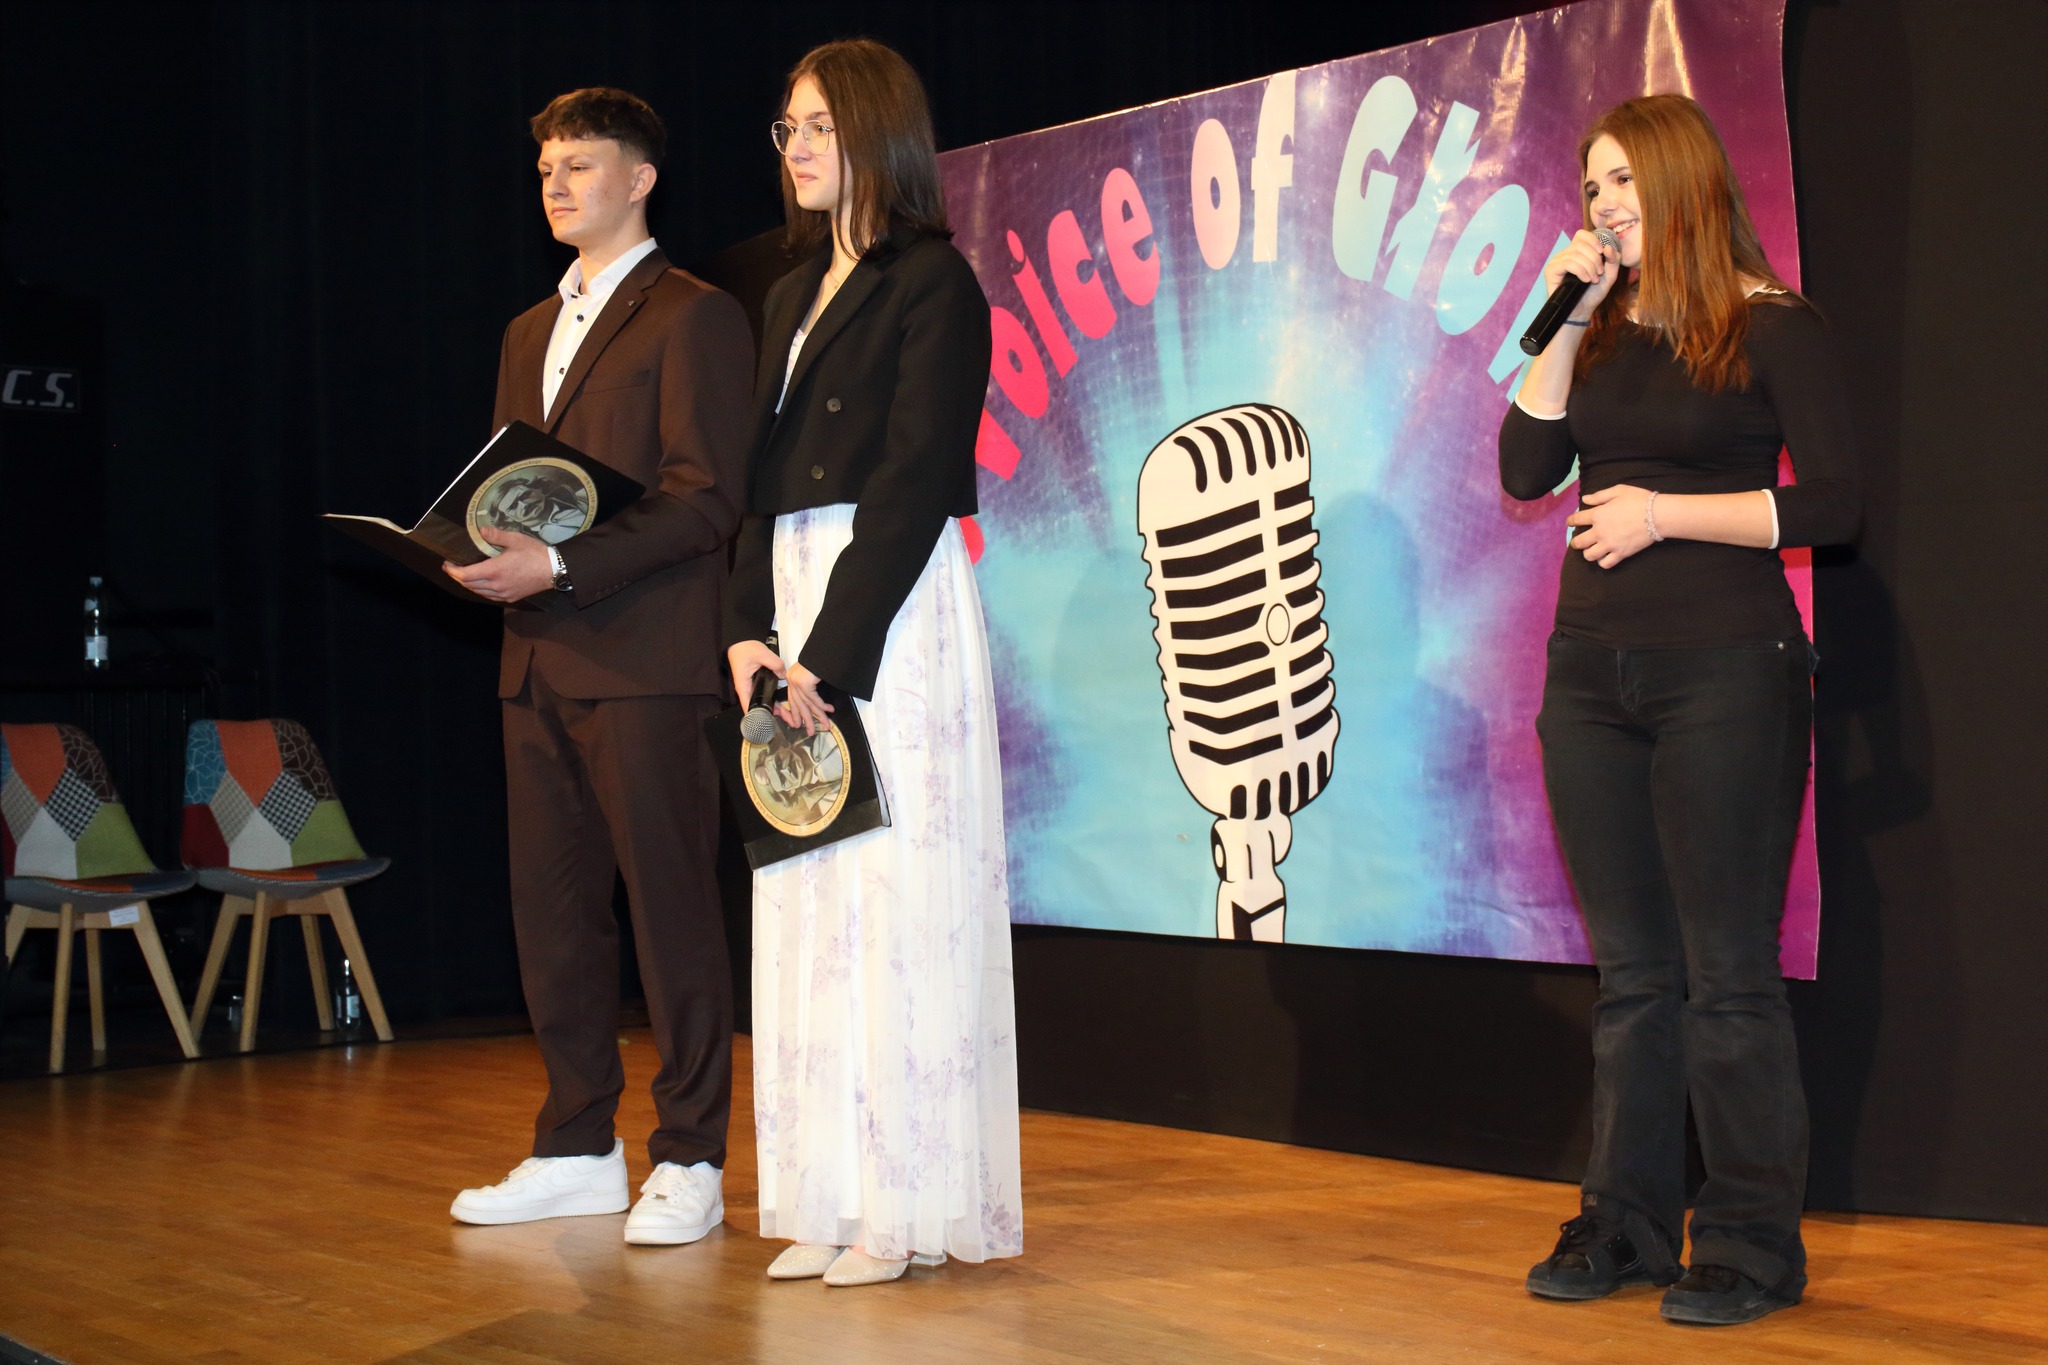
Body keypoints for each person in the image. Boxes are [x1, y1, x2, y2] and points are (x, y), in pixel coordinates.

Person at [1498, 94, 1859, 1326]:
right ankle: (1625, 1223)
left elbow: (1835, 508)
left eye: (1622, 181)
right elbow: (1523, 466)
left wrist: (1662, 512)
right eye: (1590, 185)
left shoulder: (1769, 323)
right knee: (1633, 975)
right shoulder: (1593, 330)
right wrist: (1564, 314)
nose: (1604, 205)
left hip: (1724, 670)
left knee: (1725, 973)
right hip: (1589, 678)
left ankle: (1748, 1245)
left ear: (1682, 181)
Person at [723, 38, 1023, 1288]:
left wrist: (826, 663)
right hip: (791, 600)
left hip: (881, 612)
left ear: (874, 134)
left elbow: (909, 485)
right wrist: (747, 633)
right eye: (786, 127)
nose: (795, 148)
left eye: (817, 127)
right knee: (808, 898)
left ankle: (902, 1205)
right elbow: (752, 481)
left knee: (892, 897)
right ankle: (828, 1196)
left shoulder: (934, 281)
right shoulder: (786, 291)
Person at [444, 88, 755, 1247]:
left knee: (671, 915)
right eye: (545, 169)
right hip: (534, 662)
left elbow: (706, 498)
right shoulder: (529, 329)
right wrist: (478, 553)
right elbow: (513, 487)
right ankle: (575, 1145)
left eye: (580, 164)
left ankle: (690, 1155)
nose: (557, 185)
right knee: (554, 917)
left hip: (648, 661)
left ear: (639, 179)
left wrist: (563, 566)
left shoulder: (694, 315)